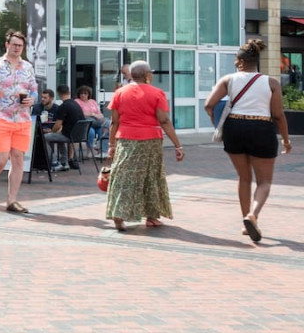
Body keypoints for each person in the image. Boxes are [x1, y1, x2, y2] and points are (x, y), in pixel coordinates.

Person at [204, 38, 293, 242]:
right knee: (264, 181)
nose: (235, 62)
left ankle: (246, 220)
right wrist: (286, 140)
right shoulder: (271, 83)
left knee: (244, 178)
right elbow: (278, 115)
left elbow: (209, 105)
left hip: (234, 128)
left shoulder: (228, 80)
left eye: (236, 59)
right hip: (261, 128)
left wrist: (217, 124)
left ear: (241, 61)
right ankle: (252, 216)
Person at [105, 61, 185, 231]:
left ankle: (119, 213)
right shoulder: (157, 93)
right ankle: (151, 216)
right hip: (151, 140)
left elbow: (114, 122)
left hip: (125, 139)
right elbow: (164, 120)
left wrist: (111, 145)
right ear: (147, 75)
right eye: (151, 73)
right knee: (151, 176)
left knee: (124, 176)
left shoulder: (120, 93)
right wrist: (178, 145)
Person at [0, 30, 39, 213]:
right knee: (2, 159)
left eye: (20, 45)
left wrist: (32, 99)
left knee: (18, 158)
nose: (17, 48)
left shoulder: (28, 67)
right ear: (7, 45)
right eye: (14, 44)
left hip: (22, 119)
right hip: (0, 117)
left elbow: (34, 90)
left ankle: (12, 200)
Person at [43, 85, 85, 171]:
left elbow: (58, 125)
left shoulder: (63, 106)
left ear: (58, 94)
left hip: (69, 136)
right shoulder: (76, 104)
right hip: (80, 135)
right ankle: (64, 162)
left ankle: (54, 162)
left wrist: (51, 131)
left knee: (44, 138)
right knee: (59, 136)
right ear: (69, 92)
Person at [75, 86, 111, 152]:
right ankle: (90, 150)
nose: (83, 95)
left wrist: (99, 116)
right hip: (85, 123)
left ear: (88, 94)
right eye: (81, 93)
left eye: (85, 93)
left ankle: (101, 149)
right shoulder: (77, 102)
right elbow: (80, 113)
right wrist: (92, 114)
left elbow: (100, 114)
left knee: (103, 128)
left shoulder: (93, 102)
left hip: (96, 122)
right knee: (91, 132)